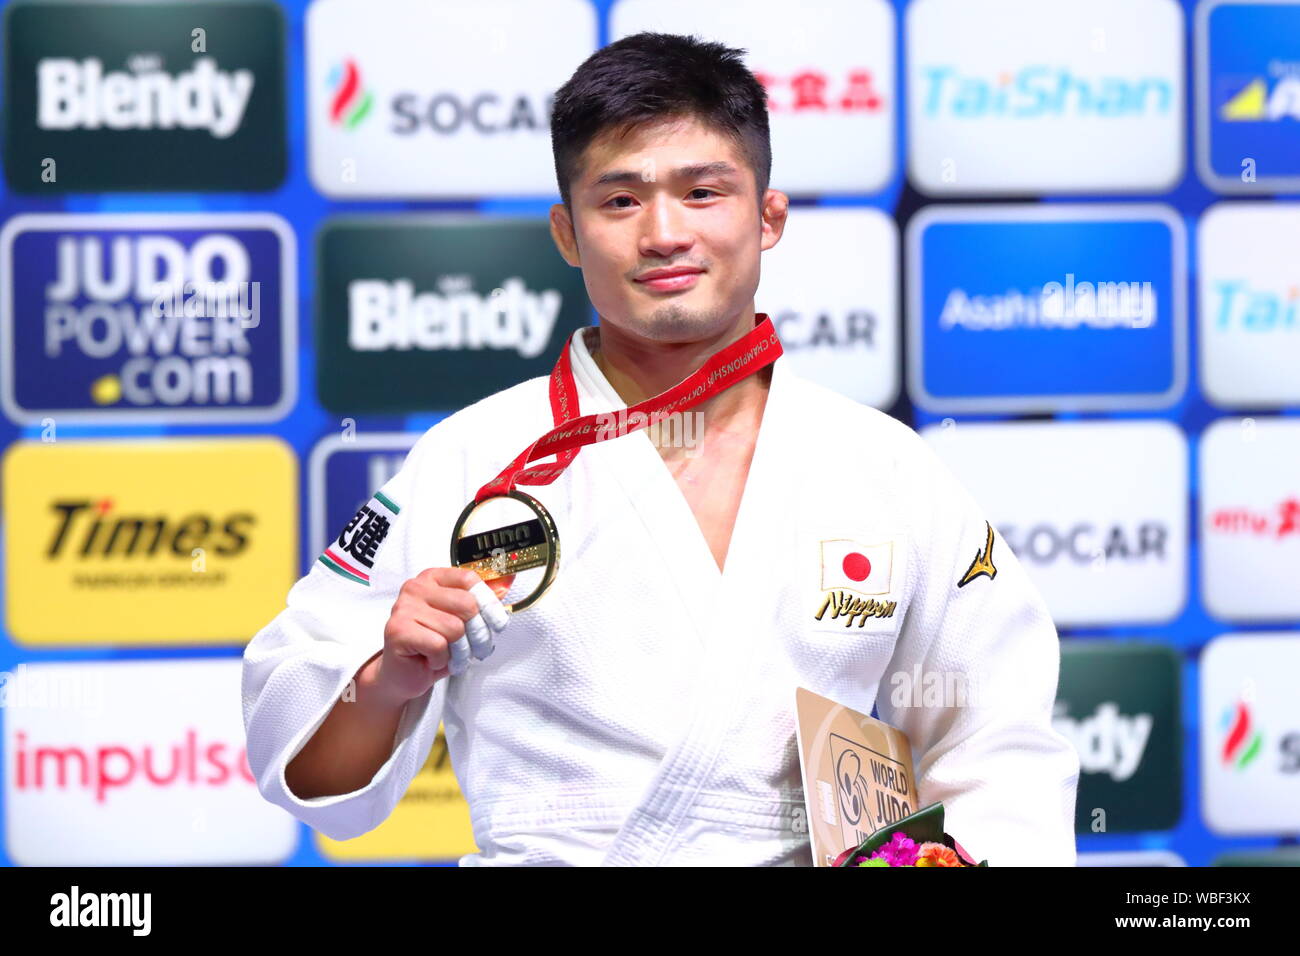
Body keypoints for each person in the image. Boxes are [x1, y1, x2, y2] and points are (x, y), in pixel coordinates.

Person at [241, 31, 1080, 866]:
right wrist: (388, 677)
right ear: (567, 235)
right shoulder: (474, 459)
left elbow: (998, 735)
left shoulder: (885, 469)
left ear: (768, 215)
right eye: (621, 202)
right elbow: (304, 768)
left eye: (704, 192)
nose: (664, 234)